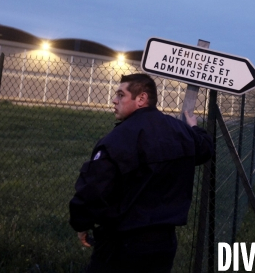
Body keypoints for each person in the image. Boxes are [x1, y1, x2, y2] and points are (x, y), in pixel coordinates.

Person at [69, 73, 213, 273]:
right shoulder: (180, 132)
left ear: (141, 99)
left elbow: (93, 189)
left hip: (121, 244)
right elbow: (205, 148)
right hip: (163, 244)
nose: (114, 100)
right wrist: (195, 128)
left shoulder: (117, 140)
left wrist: (81, 223)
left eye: (121, 95)